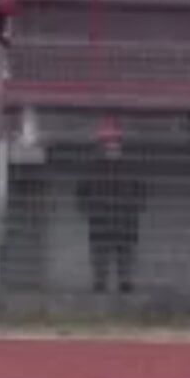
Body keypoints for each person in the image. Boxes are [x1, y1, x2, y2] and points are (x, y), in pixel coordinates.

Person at [74, 124, 146, 295]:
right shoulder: (92, 168)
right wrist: (88, 209)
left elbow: (141, 190)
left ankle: (123, 283)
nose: (111, 148)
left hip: (124, 218)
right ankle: (101, 283)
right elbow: (81, 191)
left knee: (124, 253)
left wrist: (135, 207)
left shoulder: (131, 167)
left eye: (114, 143)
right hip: (103, 218)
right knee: (102, 253)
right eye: (108, 144)